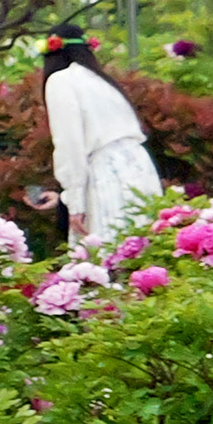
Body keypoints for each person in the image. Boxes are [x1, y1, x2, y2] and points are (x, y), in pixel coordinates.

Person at [39, 24, 158, 258]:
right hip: (141, 172)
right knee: (144, 255)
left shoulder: (61, 81)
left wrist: (75, 205)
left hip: (106, 174)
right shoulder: (104, 82)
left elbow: (69, 145)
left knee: (103, 259)